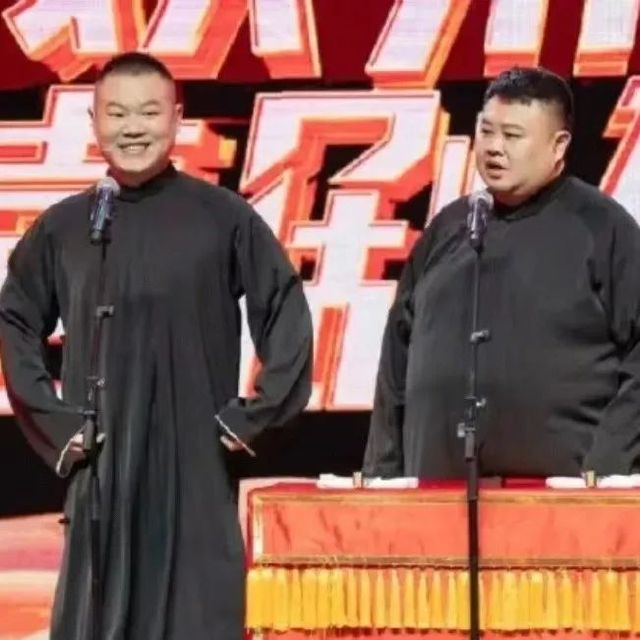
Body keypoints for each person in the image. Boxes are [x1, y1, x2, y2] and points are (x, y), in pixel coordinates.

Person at [0, 52, 313, 639]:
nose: (133, 128)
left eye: (148, 112)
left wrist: (252, 418)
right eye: (116, 113)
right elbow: (15, 318)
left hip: (194, 465)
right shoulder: (66, 227)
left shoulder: (222, 217)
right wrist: (59, 424)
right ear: (94, 121)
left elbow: (284, 306)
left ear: (176, 117)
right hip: (103, 467)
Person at [363, 66, 640, 480]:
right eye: (486, 131)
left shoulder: (603, 228)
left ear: (558, 145)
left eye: (512, 136)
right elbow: (395, 363)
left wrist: (606, 467)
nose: (494, 148)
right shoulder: (449, 228)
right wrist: (382, 477)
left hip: (562, 497)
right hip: (435, 493)